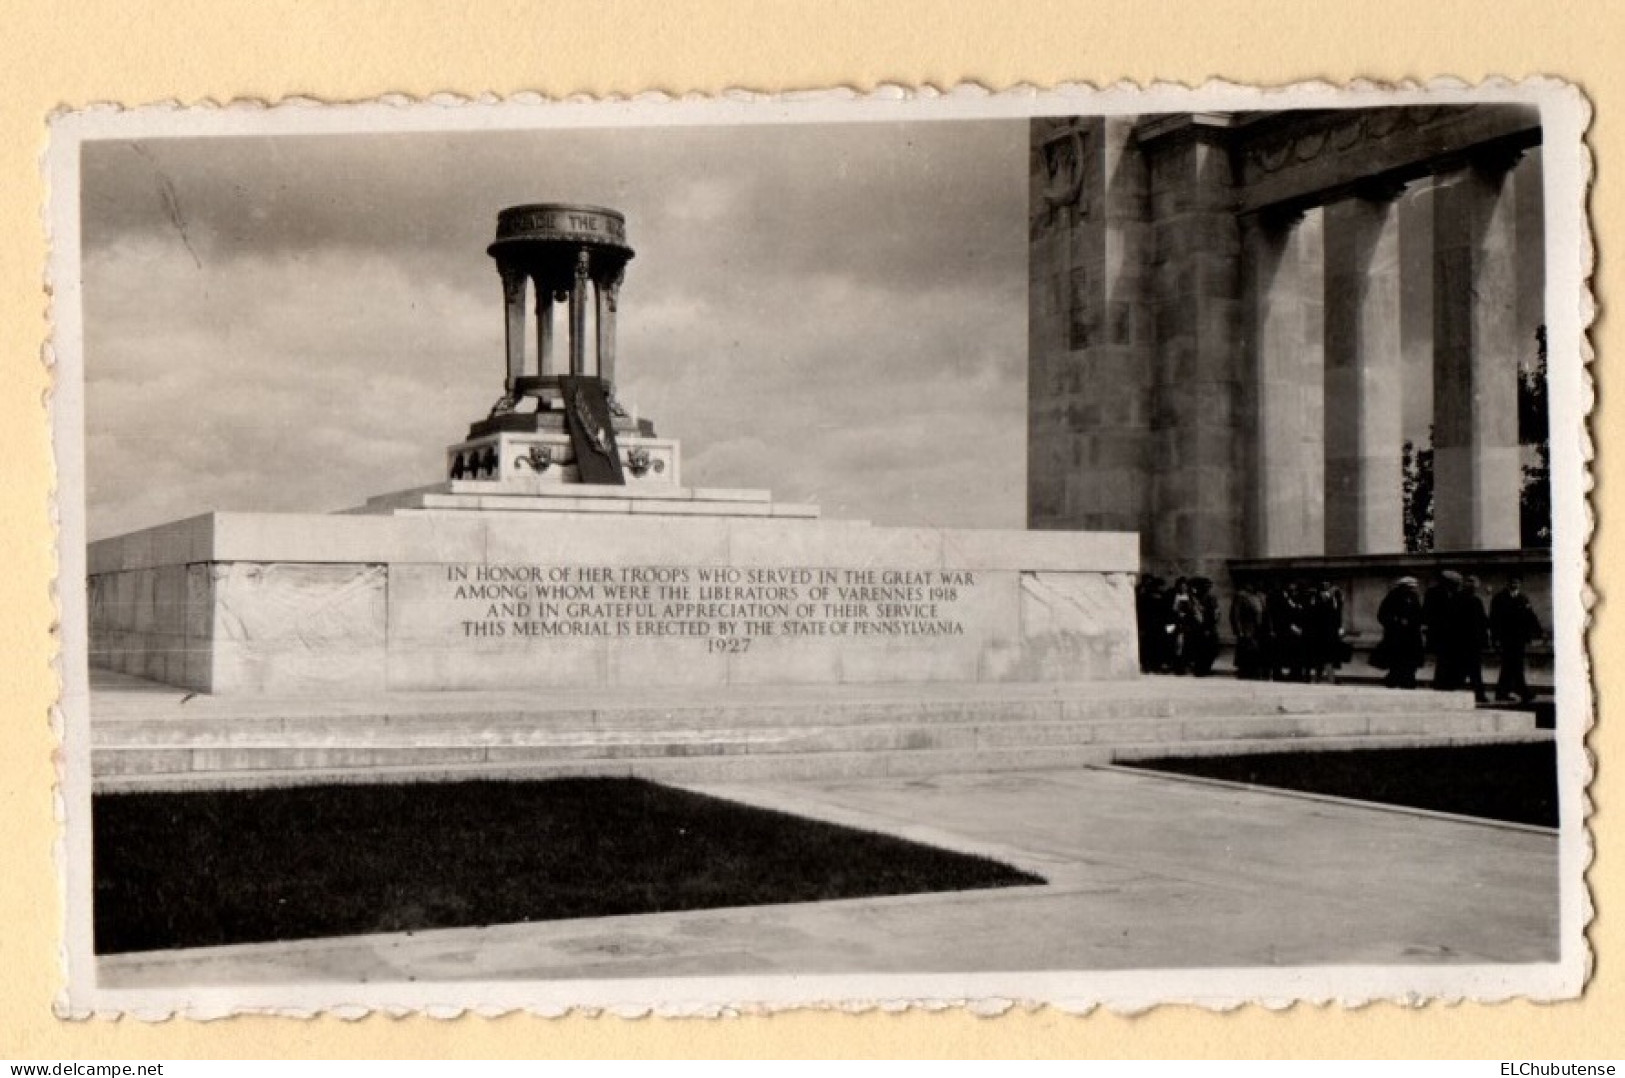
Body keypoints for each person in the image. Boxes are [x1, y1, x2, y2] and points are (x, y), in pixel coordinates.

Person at [1490, 575, 1542, 703]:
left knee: (1513, 665)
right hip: (1505, 638)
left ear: (1520, 584)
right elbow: (1494, 619)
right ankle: (1520, 691)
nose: (1515, 585)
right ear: (1508, 583)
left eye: (1517, 582)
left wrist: (1538, 632)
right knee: (1511, 665)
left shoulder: (1523, 599)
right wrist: (1495, 638)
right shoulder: (1499, 598)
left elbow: (1530, 617)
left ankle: (1504, 692)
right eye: (1513, 582)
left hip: (1519, 638)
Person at [1375, 576, 1425, 689]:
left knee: (1411, 661)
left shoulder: (1414, 597)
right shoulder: (1392, 597)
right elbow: (1382, 615)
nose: (1413, 590)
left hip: (1412, 635)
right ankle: (1395, 679)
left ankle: (1407, 680)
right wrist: (1396, 620)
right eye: (1410, 587)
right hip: (1396, 635)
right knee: (1397, 660)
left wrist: (1416, 622)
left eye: (1414, 588)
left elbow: (1419, 614)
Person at [1447, 574, 1491, 702]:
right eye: (1469, 582)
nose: (1472, 585)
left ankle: (1476, 693)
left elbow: (1482, 621)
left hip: (1471, 641)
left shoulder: (1473, 600)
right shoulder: (1459, 599)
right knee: (1468, 669)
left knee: (1470, 669)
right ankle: (1476, 693)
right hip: (1464, 641)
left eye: (1474, 583)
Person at [1425, 571, 1463, 690]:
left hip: (1454, 633)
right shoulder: (1433, 593)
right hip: (1440, 632)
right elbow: (1428, 613)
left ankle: (1450, 683)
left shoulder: (1457, 594)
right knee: (1442, 659)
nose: (1457, 585)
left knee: (1452, 659)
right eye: (1456, 583)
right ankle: (1441, 683)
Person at [1230, 581, 1268, 680]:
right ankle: (1245, 672)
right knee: (1247, 650)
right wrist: (1239, 630)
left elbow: (1264, 612)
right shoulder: (1241, 595)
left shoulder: (1260, 596)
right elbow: (1235, 614)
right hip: (1247, 627)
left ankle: (1254, 671)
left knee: (1256, 651)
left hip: (1258, 629)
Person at [1188, 577, 1221, 676]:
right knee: (1202, 648)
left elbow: (1215, 613)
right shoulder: (1197, 598)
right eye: (1206, 586)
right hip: (1202, 627)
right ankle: (1201, 668)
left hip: (1208, 627)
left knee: (1210, 649)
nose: (1208, 588)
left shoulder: (1211, 598)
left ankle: (1204, 667)